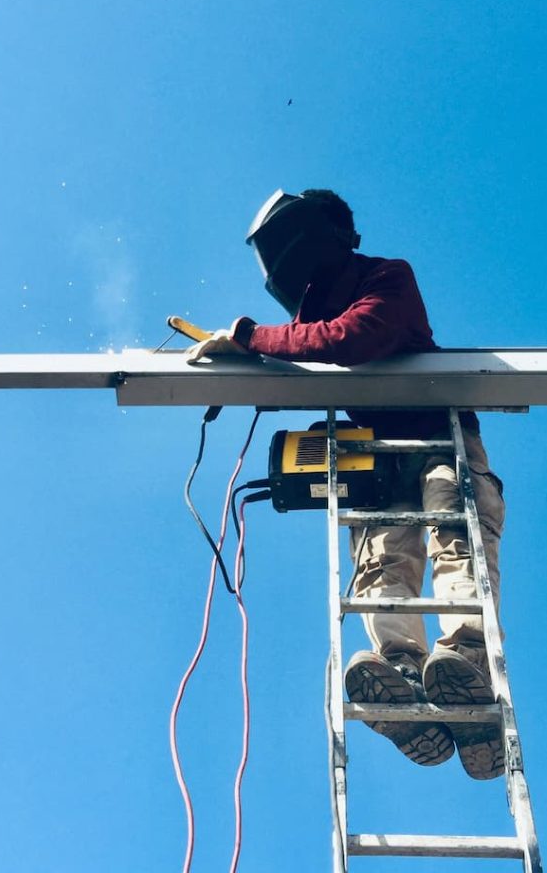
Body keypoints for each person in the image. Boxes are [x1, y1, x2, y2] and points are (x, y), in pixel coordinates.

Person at [187, 189, 506, 780]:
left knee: (455, 534)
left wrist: (247, 335)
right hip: (374, 458)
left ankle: (467, 664)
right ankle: (407, 681)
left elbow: (352, 338)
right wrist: (245, 354)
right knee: (382, 561)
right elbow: (312, 345)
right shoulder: (303, 327)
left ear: (329, 233)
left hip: (439, 439)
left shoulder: (387, 277)